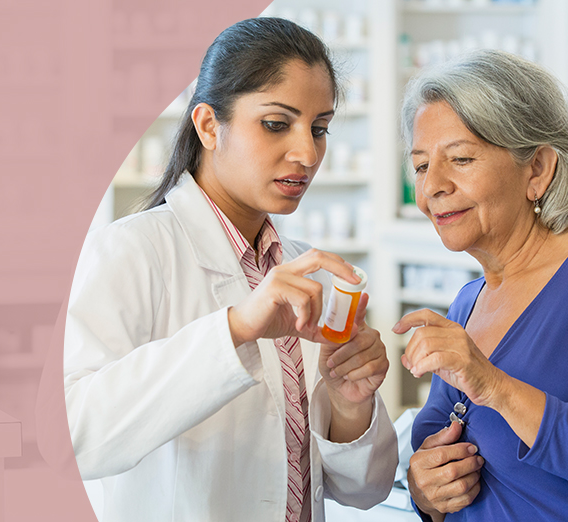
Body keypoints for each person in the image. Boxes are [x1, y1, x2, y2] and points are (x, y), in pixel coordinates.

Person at [64, 17, 397, 522]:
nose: (307, 153)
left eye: (320, 128)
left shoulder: (310, 273)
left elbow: (362, 492)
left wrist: (351, 407)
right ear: (207, 126)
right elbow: (73, 436)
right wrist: (236, 328)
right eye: (276, 124)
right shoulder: (133, 251)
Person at [393, 49, 568, 521]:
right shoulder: (468, 303)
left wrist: (497, 388)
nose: (433, 187)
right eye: (422, 165)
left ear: (538, 170)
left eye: (461, 158)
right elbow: (430, 446)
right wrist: (425, 489)